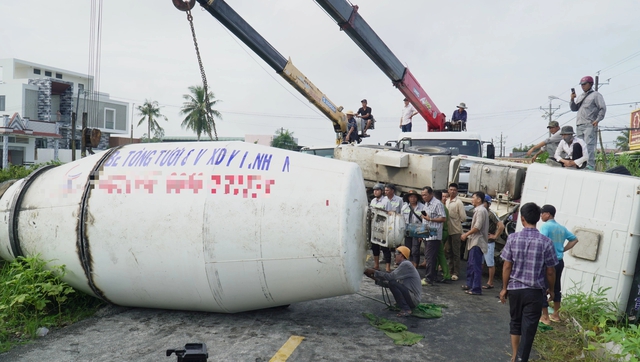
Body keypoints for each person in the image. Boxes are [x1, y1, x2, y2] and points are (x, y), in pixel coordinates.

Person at [500, 202, 558, 362]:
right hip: (534, 292)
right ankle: (521, 358)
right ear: (539, 218)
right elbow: (551, 270)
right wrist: (551, 290)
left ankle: (514, 355)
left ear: (523, 218)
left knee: (515, 322)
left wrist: (504, 288)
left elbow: (506, 265)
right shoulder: (546, 242)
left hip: (515, 289)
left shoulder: (512, 238)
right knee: (529, 327)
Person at [539, 204, 579, 325]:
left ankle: (545, 316)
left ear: (548, 214)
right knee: (556, 287)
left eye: (542, 213)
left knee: (542, 287)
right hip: (559, 261)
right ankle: (556, 314)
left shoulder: (545, 226)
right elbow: (574, 239)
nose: (541, 215)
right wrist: (562, 250)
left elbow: (542, 242)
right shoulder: (561, 228)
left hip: (547, 261)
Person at [364, 246, 422, 317]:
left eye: (396, 253)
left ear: (401, 255)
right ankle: (404, 306)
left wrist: (374, 272)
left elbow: (390, 277)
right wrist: (372, 277)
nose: (394, 255)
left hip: (414, 299)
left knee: (392, 283)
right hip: (412, 298)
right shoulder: (403, 266)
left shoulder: (406, 264)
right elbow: (389, 283)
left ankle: (406, 309)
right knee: (392, 283)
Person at [570, 75, 606, 170]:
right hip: (579, 124)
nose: (582, 86)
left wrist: (597, 120)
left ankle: (590, 165)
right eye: (581, 85)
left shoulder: (596, 95)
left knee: (589, 145)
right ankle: (581, 165)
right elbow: (574, 109)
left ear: (590, 84)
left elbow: (602, 108)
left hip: (589, 124)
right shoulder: (581, 96)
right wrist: (572, 99)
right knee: (579, 146)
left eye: (584, 84)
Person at [461, 191, 489, 295]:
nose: (472, 200)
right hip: (475, 241)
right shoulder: (480, 210)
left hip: (478, 241)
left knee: (475, 265)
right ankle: (471, 284)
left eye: (473, 198)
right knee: (471, 264)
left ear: (479, 199)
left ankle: (476, 288)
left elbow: (477, 227)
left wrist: (466, 234)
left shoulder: (481, 211)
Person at [419, 187, 446, 286]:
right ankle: (432, 276)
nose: (423, 197)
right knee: (428, 256)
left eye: (425, 195)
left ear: (431, 194)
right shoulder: (426, 203)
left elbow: (443, 218)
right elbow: (424, 219)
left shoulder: (437, 204)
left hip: (434, 235)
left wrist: (430, 219)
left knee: (430, 257)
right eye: (422, 195)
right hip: (426, 234)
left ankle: (429, 278)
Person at [445, 183, 466, 281]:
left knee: (456, 252)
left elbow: (464, 218)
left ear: (457, 191)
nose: (452, 191)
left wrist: (456, 220)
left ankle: (456, 273)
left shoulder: (458, 203)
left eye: (454, 190)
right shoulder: (447, 201)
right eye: (451, 189)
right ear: (448, 190)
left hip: (456, 231)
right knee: (448, 251)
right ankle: (450, 270)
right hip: (447, 230)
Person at [482, 194, 504, 290]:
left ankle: (490, 282)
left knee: (490, 263)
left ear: (488, 204)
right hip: (481, 241)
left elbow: (501, 226)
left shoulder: (491, 214)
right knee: (481, 262)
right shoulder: (480, 212)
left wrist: (495, 236)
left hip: (489, 242)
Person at [370, 183, 393, 272]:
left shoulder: (386, 201)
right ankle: (376, 265)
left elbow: (390, 213)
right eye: (374, 190)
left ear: (382, 191)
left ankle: (388, 267)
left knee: (385, 247)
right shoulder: (373, 201)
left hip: (384, 226)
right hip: (374, 226)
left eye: (377, 190)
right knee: (375, 246)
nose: (375, 192)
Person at [401, 190, 425, 267]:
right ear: (408, 198)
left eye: (414, 197)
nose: (413, 199)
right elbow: (402, 220)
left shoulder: (422, 207)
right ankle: (411, 263)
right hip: (407, 230)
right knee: (408, 249)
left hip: (417, 230)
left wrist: (422, 234)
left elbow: (425, 221)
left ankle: (415, 264)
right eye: (411, 197)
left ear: (417, 198)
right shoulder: (404, 207)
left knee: (415, 249)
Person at [434, 190, 452, 282]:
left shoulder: (439, 206)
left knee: (440, 254)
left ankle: (446, 275)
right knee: (437, 254)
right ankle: (435, 271)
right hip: (443, 232)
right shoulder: (443, 207)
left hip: (441, 232)